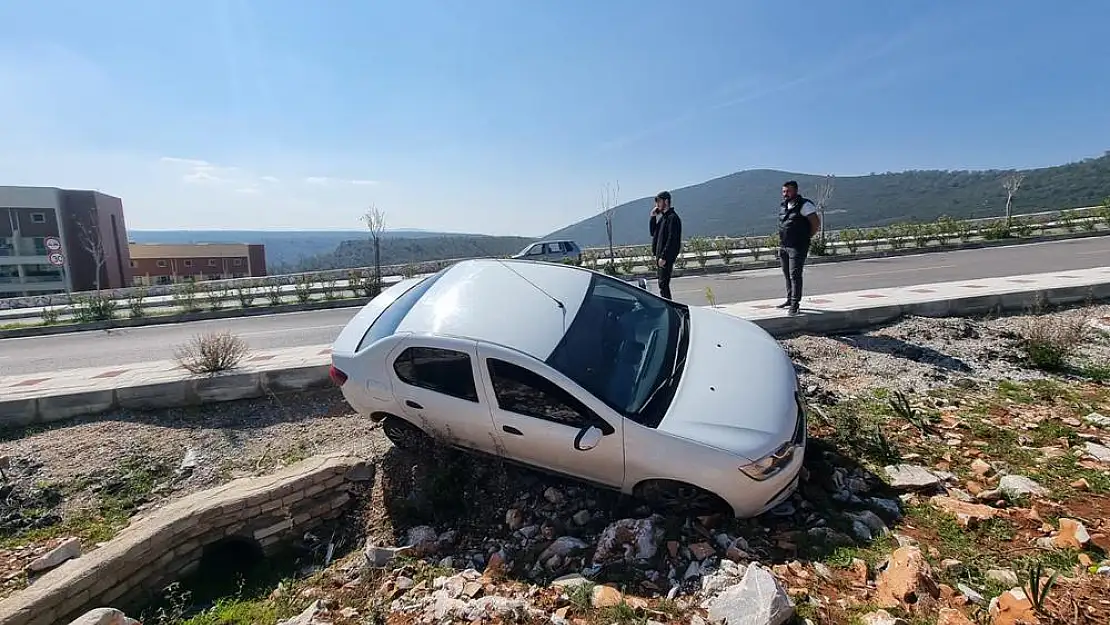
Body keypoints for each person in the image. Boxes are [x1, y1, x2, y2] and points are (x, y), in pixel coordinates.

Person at [776, 180, 820, 315]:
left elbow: (816, 223)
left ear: (795, 191)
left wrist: (806, 237)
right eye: (784, 191)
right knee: (787, 274)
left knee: (795, 275)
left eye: (788, 191)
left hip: (798, 246)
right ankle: (789, 299)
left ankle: (795, 304)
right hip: (784, 245)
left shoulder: (805, 205)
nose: (785, 194)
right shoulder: (784, 206)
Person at [649, 190, 682, 300]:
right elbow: (653, 233)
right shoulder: (663, 218)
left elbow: (672, 240)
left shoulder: (673, 218)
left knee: (663, 284)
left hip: (665, 258)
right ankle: (668, 305)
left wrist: (664, 256)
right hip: (660, 257)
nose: (657, 205)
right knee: (662, 284)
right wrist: (653, 217)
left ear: (666, 202)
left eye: (659, 202)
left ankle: (669, 307)